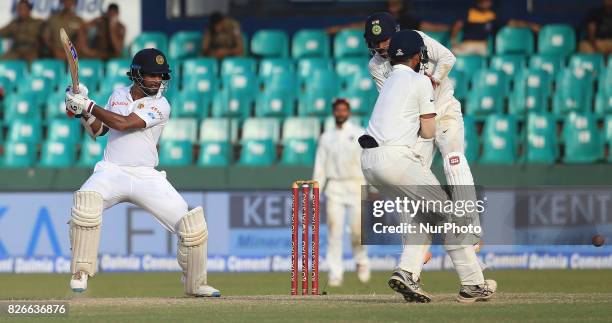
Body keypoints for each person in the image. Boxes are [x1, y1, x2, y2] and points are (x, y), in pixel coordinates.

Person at [63, 48, 220, 297]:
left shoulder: (162, 106)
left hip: (146, 175)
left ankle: (196, 284)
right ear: (136, 75)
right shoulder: (118, 94)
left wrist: (89, 104)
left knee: (192, 225)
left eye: (161, 76)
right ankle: (80, 272)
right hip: (112, 170)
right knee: (85, 205)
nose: (158, 80)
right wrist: (82, 111)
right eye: (152, 75)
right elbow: (100, 130)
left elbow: (124, 124)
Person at [359, 29, 496, 303]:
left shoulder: (388, 83)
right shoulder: (420, 81)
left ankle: (408, 270)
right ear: (416, 57)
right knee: (449, 214)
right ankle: (472, 279)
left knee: (422, 212)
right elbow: (429, 132)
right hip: (397, 159)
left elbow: (444, 60)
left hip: (369, 161)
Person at [313, 98, 370, 287]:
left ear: (349, 112)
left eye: (343, 110)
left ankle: (361, 261)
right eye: (337, 110)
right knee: (334, 232)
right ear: (333, 112)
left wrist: (372, 185)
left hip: (356, 185)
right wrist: (316, 191)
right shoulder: (326, 137)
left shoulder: (359, 133)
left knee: (356, 231)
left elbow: (368, 160)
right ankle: (335, 272)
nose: (340, 113)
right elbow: (320, 166)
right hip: (335, 187)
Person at [451, 0, 540, 55]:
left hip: (483, 46)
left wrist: (531, 25)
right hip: (467, 45)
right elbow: (457, 25)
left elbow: (512, 22)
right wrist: (453, 40)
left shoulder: (493, 16)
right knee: (449, 56)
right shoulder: (470, 12)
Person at [326, 0, 447, 35]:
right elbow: (362, 25)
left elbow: (432, 27)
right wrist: (340, 28)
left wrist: (452, 28)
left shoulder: (409, 19)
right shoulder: (381, 17)